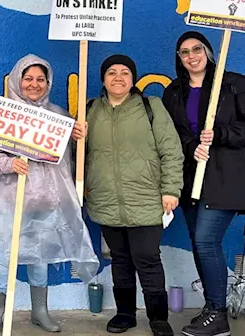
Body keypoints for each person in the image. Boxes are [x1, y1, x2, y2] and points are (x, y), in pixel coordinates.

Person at [0, 54, 100, 336]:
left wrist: (78, 135)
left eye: (40, 79)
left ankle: (40, 311)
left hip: (46, 200)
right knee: (6, 258)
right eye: (28, 78)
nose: (34, 84)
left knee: (40, 258)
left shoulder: (59, 116)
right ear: (17, 80)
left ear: (48, 82)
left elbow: (73, 157)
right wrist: (9, 163)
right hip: (11, 200)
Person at [162, 31, 245, 336]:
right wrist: (191, 143)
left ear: (208, 52)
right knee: (199, 243)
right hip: (192, 178)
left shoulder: (232, 84)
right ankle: (212, 308)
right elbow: (172, 134)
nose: (191, 56)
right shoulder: (174, 92)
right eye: (184, 52)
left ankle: (218, 314)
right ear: (179, 59)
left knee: (207, 240)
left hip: (227, 176)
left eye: (197, 49)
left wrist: (220, 135)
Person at [78, 54, 183, 336]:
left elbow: (171, 151)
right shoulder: (88, 110)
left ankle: (158, 319)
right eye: (112, 72)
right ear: (103, 79)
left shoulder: (151, 107)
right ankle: (125, 314)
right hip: (106, 200)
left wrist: (171, 189)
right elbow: (76, 157)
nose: (118, 77)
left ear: (133, 79)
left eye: (125, 72)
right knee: (120, 259)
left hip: (146, 198)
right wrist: (77, 137)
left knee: (147, 258)